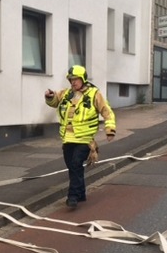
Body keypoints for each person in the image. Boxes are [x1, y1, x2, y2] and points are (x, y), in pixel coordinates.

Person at [45, 65, 116, 209]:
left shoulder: (94, 94)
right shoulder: (66, 93)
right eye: (71, 80)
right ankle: (81, 193)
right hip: (67, 139)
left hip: (84, 140)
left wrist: (110, 129)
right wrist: (50, 96)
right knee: (72, 167)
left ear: (83, 79)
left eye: (75, 79)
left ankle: (72, 197)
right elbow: (55, 101)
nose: (73, 82)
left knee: (76, 164)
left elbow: (107, 111)